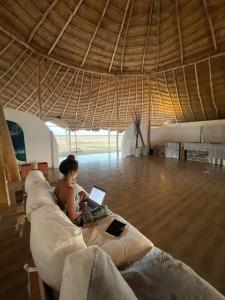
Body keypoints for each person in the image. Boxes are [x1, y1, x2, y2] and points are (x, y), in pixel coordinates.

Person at [54, 155, 88, 222]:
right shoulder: (70, 190)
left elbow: (59, 197)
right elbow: (72, 217)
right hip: (70, 215)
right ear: (72, 172)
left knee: (82, 193)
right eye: (76, 171)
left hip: (64, 207)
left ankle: (83, 201)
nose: (77, 173)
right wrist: (82, 210)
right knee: (102, 209)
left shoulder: (59, 182)